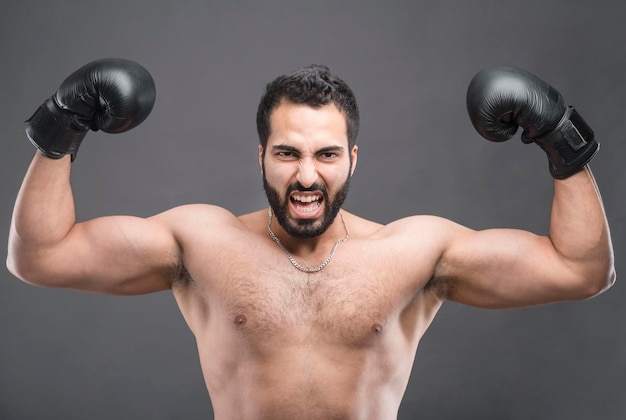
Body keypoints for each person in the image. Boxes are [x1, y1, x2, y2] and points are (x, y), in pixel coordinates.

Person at [7, 58, 615, 419]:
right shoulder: (201, 240)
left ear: (353, 158)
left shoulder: (414, 250)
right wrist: (61, 126)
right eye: (287, 153)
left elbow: (581, 270)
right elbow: (39, 256)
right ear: (262, 156)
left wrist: (561, 138)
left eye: (326, 154)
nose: (306, 174)